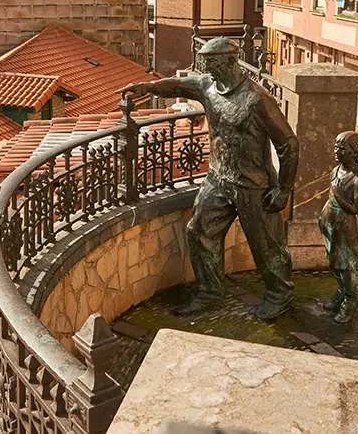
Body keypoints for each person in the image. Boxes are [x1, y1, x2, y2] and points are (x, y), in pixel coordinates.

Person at [119, 37, 299, 320]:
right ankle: (210, 291)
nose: (207, 68)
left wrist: (284, 189)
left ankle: (280, 293)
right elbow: (177, 85)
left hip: (253, 185)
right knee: (199, 232)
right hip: (218, 179)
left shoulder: (257, 98)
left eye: (212, 63)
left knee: (266, 246)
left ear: (230, 61)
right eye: (205, 63)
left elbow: (289, 144)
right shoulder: (207, 86)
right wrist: (147, 87)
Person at [320, 131, 358, 324]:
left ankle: (351, 299)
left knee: (345, 265)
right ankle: (341, 291)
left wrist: (338, 197)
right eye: (336, 147)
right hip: (330, 224)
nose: (337, 151)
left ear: (355, 153)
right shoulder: (335, 171)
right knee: (333, 262)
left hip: (344, 228)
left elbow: (356, 208)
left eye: (342, 148)